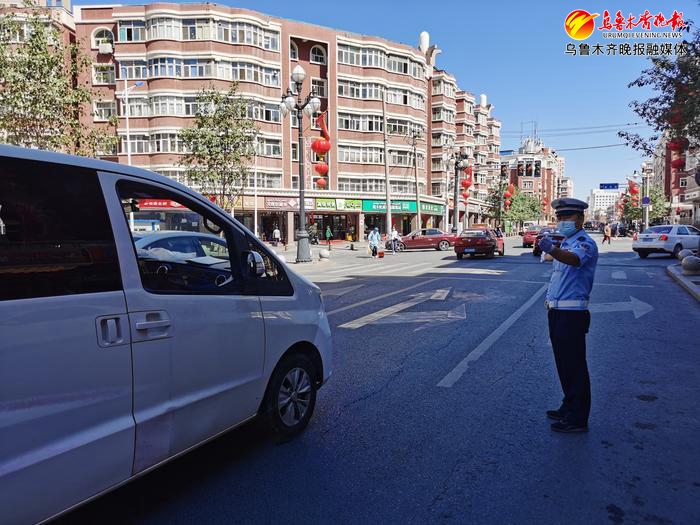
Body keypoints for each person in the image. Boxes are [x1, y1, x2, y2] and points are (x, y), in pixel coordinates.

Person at [538, 197, 599, 433]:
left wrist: (551, 249)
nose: (562, 221)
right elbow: (561, 257)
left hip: (572, 314)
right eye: (559, 217)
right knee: (564, 364)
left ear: (580, 219)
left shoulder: (584, 243)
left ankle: (577, 418)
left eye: (567, 217)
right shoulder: (567, 242)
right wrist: (549, 252)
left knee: (574, 366)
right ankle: (569, 405)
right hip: (557, 312)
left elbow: (575, 261)